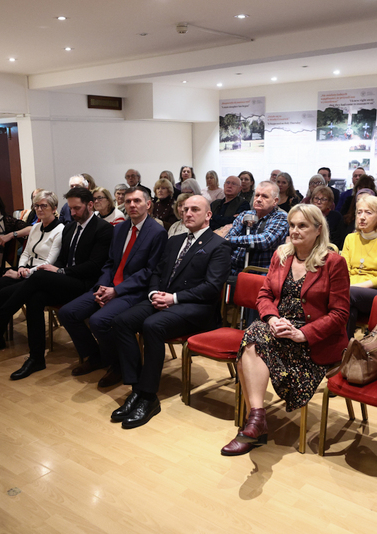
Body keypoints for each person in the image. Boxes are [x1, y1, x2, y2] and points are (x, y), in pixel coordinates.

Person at [221, 204, 350, 456]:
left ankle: (254, 423)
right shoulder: (281, 255)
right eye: (292, 225)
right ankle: (256, 420)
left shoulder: (333, 262)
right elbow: (264, 295)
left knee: (250, 346)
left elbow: (340, 314)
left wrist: (305, 334)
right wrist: (272, 318)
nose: (294, 230)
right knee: (255, 336)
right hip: (279, 327)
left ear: (318, 229)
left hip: (313, 339)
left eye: (302, 225)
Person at [0, 187, 114, 380]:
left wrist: (59, 271)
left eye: (77, 208)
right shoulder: (71, 228)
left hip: (85, 283)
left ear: (90, 205)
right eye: (71, 209)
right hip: (66, 279)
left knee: (39, 277)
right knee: (35, 298)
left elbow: (94, 266)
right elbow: (61, 259)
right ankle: (36, 358)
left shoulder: (103, 229)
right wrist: (55, 269)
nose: (73, 213)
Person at [111, 195, 231, 428]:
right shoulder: (174, 240)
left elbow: (211, 288)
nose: (187, 213)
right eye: (185, 209)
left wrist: (173, 298)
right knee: (122, 321)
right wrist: (154, 292)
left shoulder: (219, 245)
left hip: (197, 308)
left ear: (208, 215)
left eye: (195, 209)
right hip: (163, 299)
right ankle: (137, 388)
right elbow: (156, 271)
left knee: (152, 326)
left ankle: (148, 397)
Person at [61, 187, 168, 388]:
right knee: (68, 313)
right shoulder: (119, 229)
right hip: (109, 285)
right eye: (128, 202)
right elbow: (110, 263)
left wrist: (116, 291)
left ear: (148, 204)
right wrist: (103, 285)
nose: (132, 205)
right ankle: (96, 356)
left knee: (98, 321)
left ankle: (118, 365)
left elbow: (149, 271)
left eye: (137, 201)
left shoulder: (157, 232)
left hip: (133, 292)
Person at [0, 191, 64, 358]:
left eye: (44, 206)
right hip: (25, 271)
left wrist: (26, 272)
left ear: (54, 208)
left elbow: (50, 260)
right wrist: (20, 268)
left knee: (3, 293)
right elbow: (25, 253)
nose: (39, 209)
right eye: (36, 206)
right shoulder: (35, 227)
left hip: (40, 274)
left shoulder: (60, 230)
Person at [342, 196, 377, 336]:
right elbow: (343, 271)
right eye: (359, 212)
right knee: (349, 306)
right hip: (350, 292)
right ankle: (345, 350)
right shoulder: (350, 238)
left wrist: (353, 287)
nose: (362, 217)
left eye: (368, 213)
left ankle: (338, 350)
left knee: (345, 295)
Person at [224, 181, 289, 274]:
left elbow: (266, 240)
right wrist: (242, 224)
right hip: (232, 270)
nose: (258, 199)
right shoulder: (245, 214)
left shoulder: (281, 217)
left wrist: (233, 240)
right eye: (257, 195)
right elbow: (229, 238)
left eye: (264, 196)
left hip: (259, 273)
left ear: (275, 201)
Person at [310, 185, 346, 250]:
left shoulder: (336, 217)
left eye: (323, 199)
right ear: (312, 200)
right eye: (316, 198)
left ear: (330, 203)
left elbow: (338, 240)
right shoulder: (307, 216)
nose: (319, 202)